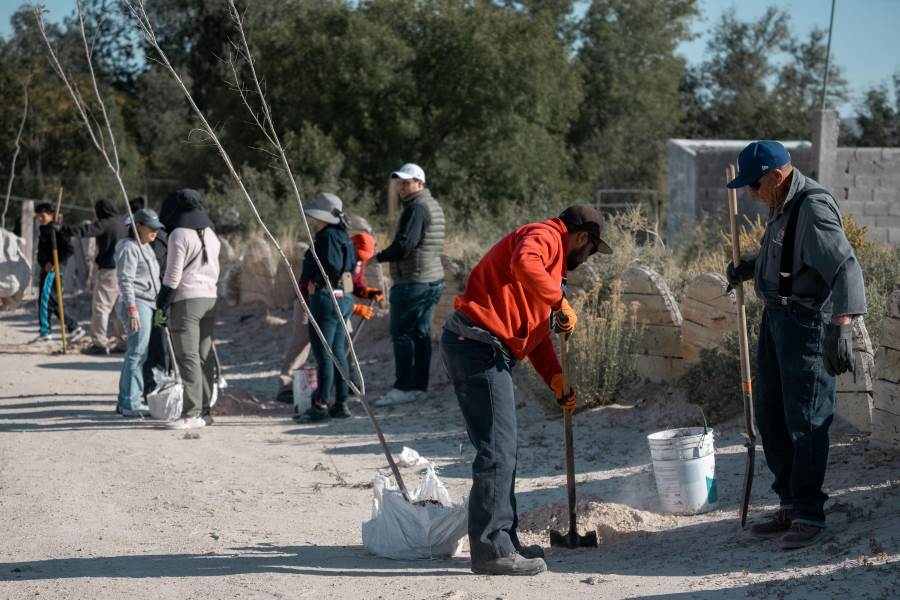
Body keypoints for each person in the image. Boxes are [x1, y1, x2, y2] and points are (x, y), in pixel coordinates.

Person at [440, 205, 611, 576]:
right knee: (498, 448)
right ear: (581, 237)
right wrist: (558, 300)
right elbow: (522, 263)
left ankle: (505, 542)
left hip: (482, 347)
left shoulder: (551, 268)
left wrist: (555, 379)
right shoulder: (546, 236)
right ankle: (490, 550)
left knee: (503, 447)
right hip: (477, 345)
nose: (590, 257)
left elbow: (535, 335)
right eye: (593, 249)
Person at [725, 140, 866, 550]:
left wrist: (842, 325)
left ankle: (809, 513)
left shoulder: (813, 208)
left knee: (805, 419)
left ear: (776, 176)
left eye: (754, 185)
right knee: (771, 413)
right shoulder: (780, 203)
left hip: (806, 324)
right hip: (776, 320)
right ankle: (789, 501)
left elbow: (845, 268)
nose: (751, 194)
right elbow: (787, 257)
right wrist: (751, 269)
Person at [275, 214, 382, 404]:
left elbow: (351, 284)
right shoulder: (330, 249)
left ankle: (345, 380)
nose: (359, 260)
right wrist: (355, 306)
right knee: (302, 340)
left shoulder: (357, 258)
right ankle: (287, 385)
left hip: (338, 303)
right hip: (310, 301)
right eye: (358, 255)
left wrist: (367, 293)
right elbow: (315, 284)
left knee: (345, 340)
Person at [375, 163, 445, 406]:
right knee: (420, 333)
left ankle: (404, 387)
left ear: (420, 183)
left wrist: (378, 256)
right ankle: (418, 386)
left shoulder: (416, 208)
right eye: (400, 182)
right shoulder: (431, 204)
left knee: (402, 333)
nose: (402, 186)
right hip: (430, 279)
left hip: (414, 281)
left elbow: (405, 245)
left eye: (407, 181)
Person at [156, 189, 221, 430]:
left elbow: (172, 277)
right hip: (211, 299)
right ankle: (205, 411)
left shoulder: (178, 235)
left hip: (186, 301)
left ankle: (191, 412)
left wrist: (161, 305)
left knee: (188, 356)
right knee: (204, 357)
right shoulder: (212, 235)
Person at [293, 193, 356, 422]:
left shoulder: (327, 236)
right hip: (344, 297)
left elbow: (332, 265)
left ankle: (320, 404)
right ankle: (341, 403)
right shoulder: (343, 236)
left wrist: (316, 282)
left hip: (327, 298)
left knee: (325, 354)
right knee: (338, 352)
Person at [62, 199, 128, 354]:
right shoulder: (123, 223)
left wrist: (64, 229)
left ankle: (99, 343)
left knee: (101, 307)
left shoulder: (106, 224)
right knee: (120, 308)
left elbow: (87, 230)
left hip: (109, 272)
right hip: (125, 271)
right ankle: (123, 341)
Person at [114, 208, 163, 417]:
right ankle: (129, 403)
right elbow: (125, 280)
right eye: (151, 227)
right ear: (139, 226)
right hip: (137, 304)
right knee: (136, 353)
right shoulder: (129, 248)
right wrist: (132, 309)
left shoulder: (147, 247)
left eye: (157, 228)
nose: (155, 232)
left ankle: (128, 399)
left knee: (139, 354)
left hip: (149, 304)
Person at [131, 196, 170, 396]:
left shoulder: (157, 241)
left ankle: (153, 388)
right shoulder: (164, 237)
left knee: (154, 347)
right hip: (158, 299)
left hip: (157, 301)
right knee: (153, 346)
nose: (154, 231)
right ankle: (152, 388)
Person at [33, 202, 85, 342]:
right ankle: (51, 330)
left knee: (47, 300)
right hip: (47, 269)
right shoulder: (44, 229)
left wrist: (55, 264)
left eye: (42, 216)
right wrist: (43, 263)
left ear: (50, 215)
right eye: (38, 217)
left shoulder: (57, 230)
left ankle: (68, 328)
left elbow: (69, 249)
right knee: (51, 301)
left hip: (53, 270)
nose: (40, 219)